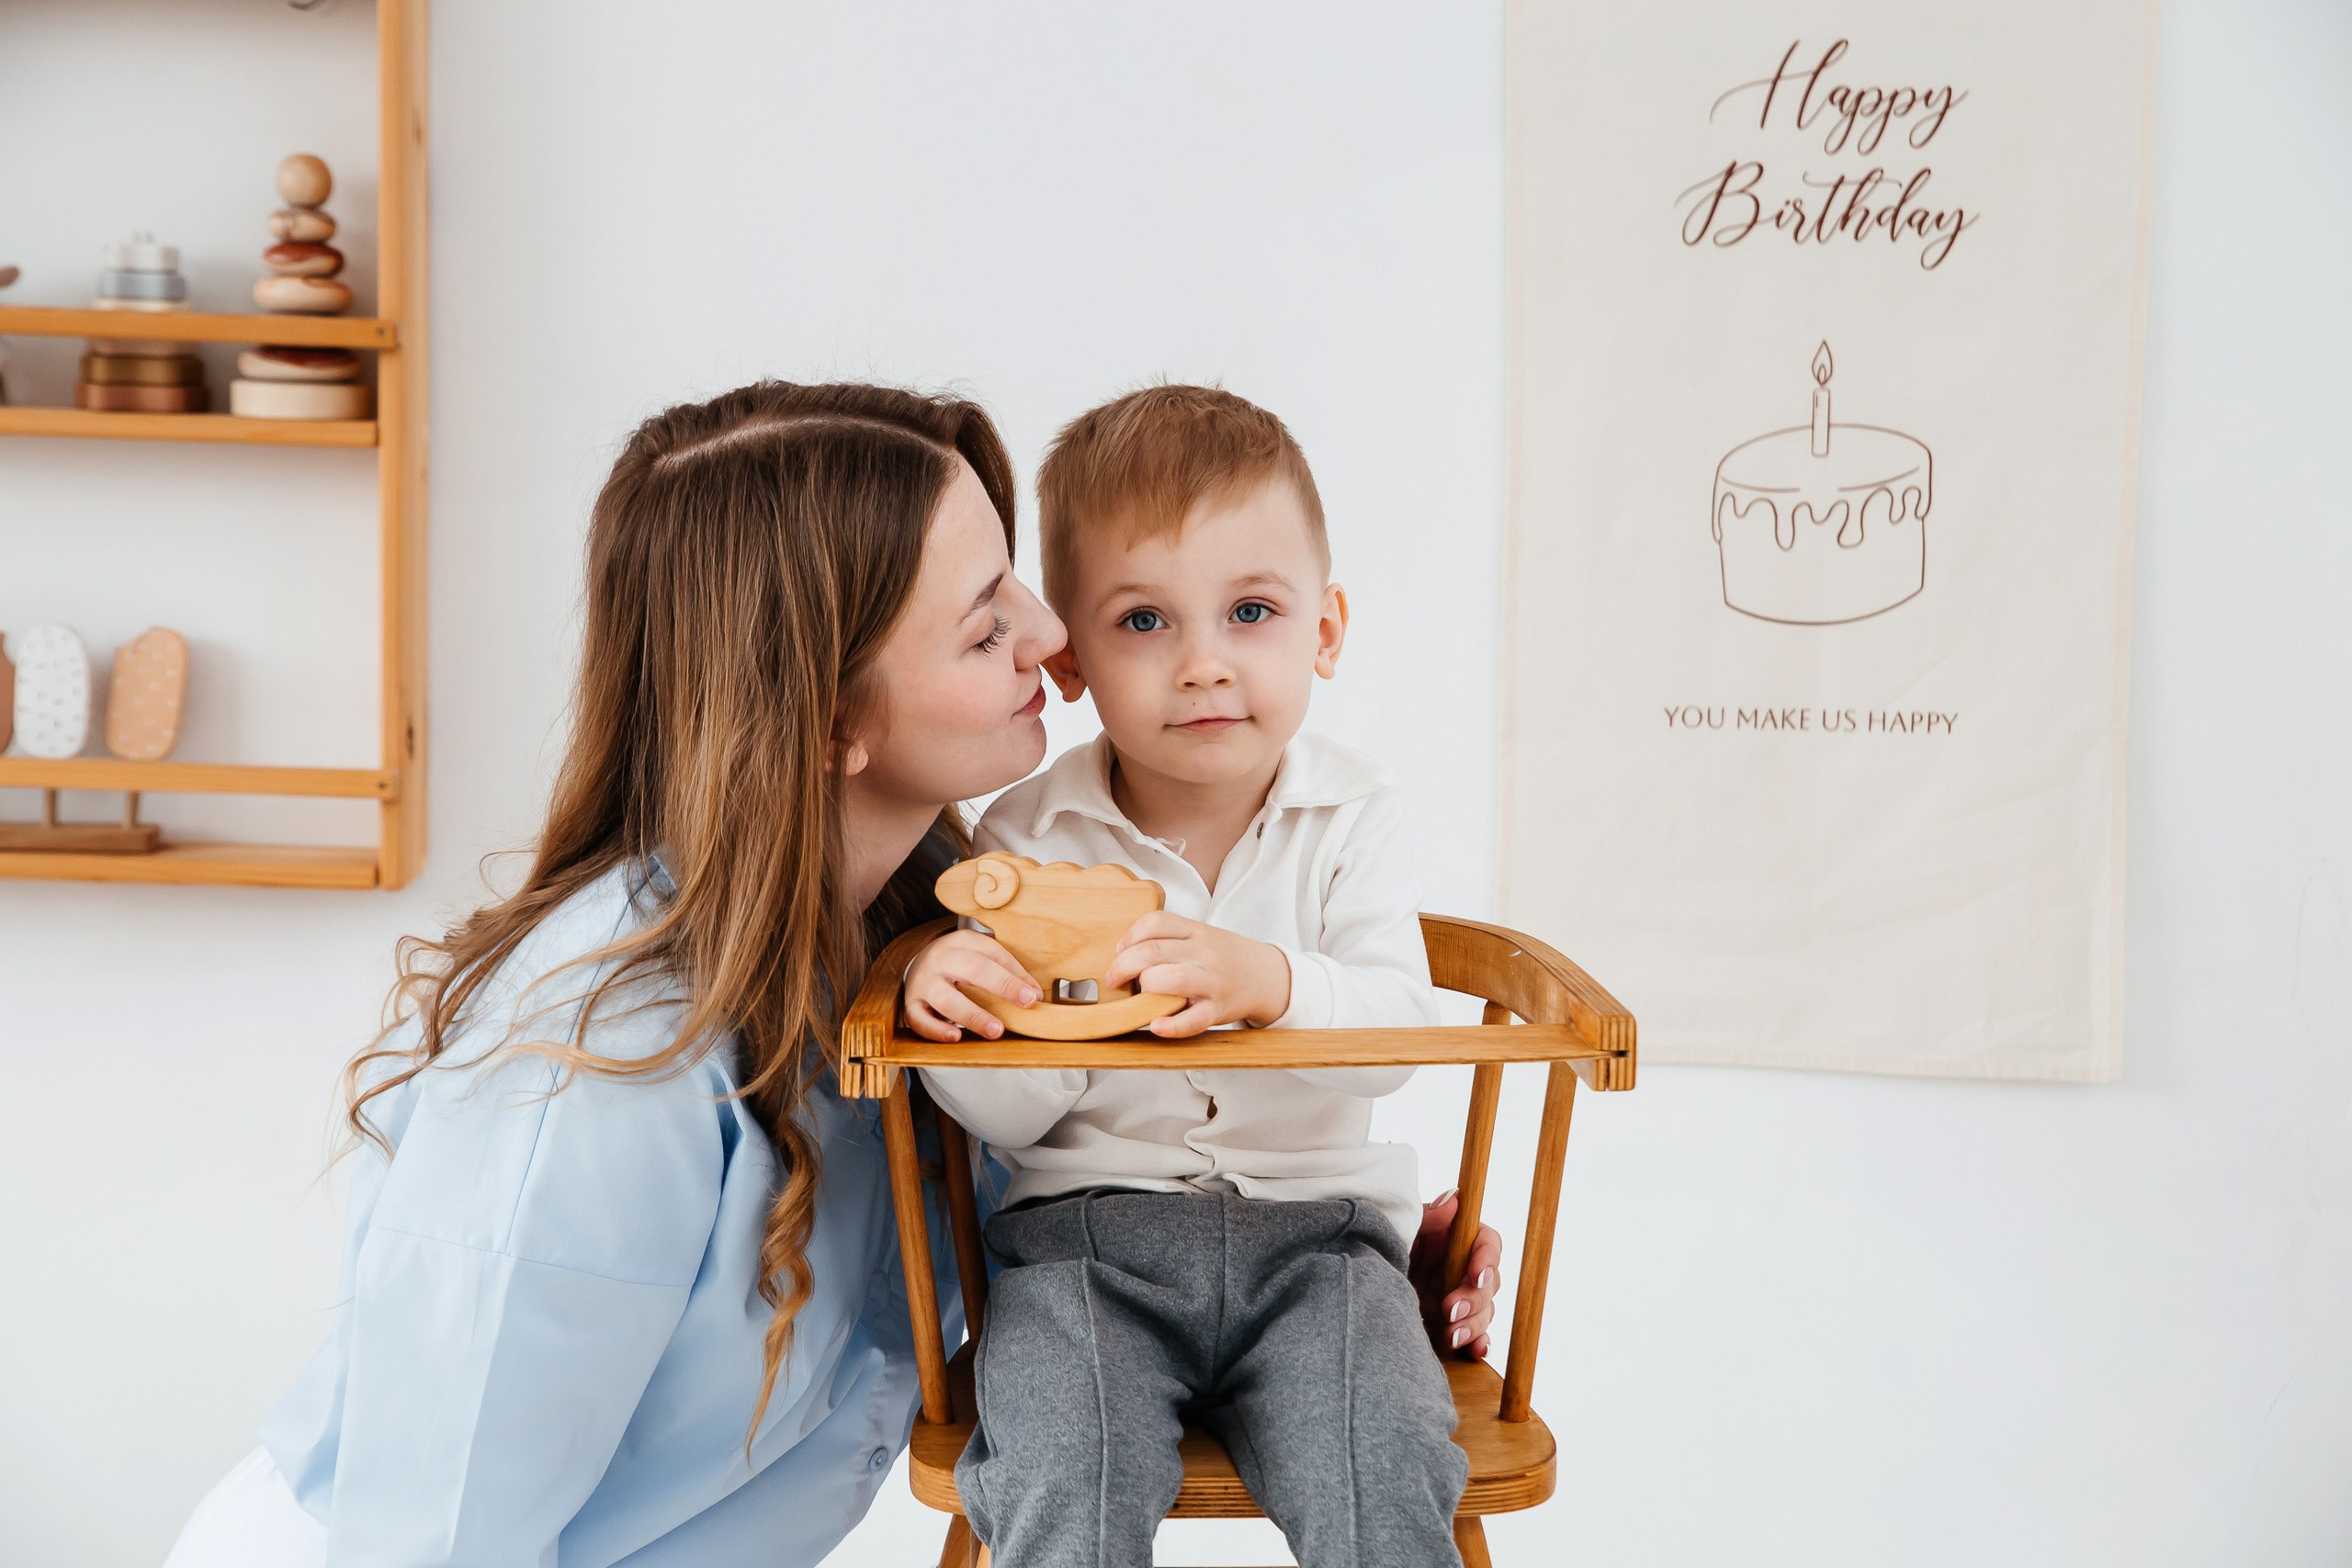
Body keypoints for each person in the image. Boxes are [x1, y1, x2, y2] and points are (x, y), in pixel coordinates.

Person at [162, 380, 1506, 1568]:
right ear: (829, 720)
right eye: (987, 627)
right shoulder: (597, 1057)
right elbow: (444, 1527)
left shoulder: (927, 924)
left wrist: (1326, 1249)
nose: (1059, 640)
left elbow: (1046, 1209)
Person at [909, 385, 1469, 1568]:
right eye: (1146, 623)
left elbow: (1407, 1029)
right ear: (1069, 659)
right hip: (1086, 1254)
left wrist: (1272, 979)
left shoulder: (1353, 816)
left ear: (1325, 629)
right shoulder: (1025, 841)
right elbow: (1007, 1117)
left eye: (1251, 612)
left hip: (1322, 1251)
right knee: (1061, 1460)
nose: (1205, 665)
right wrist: (992, 1019)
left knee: (1393, 1455)